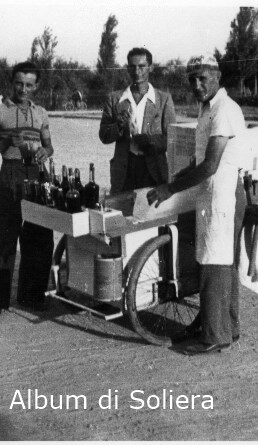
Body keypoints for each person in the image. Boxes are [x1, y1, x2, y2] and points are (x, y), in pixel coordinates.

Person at [147, 56, 247, 355]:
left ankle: (216, 336)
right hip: (213, 194)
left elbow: (211, 165)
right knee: (218, 262)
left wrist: (170, 189)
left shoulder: (224, 109)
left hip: (224, 195)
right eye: (192, 79)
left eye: (203, 78)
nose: (197, 85)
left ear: (218, 76)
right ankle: (225, 326)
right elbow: (202, 158)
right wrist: (180, 174)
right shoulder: (208, 108)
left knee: (215, 264)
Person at [0, 61, 55, 323]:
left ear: (36, 86)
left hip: (37, 176)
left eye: (29, 85)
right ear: (12, 83)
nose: (24, 89)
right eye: (19, 84)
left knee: (39, 239)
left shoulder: (41, 113)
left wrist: (45, 151)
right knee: (5, 241)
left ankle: (31, 296)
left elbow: (49, 146)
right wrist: (4, 144)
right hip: (10, 176)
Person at [99, 47, 177, 194]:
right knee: (122, 207)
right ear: (127, 68)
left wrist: (150, 141)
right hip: (124, 171)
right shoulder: (115, 99)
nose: (137, 71)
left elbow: (173, 139)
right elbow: (104, 136)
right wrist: (118, 126)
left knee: (151, 208)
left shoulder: (164, 99)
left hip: (153, 172)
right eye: (132, 67)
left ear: (150, 67)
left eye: (142, 66)